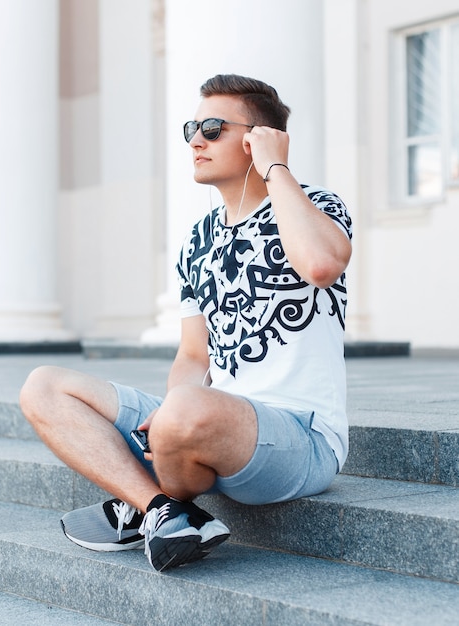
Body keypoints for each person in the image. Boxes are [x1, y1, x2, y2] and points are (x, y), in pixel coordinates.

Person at [19, 74, 352, 572]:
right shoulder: (198, 239)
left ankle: (135, 500)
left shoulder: (314, 206)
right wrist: (173, 409)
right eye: (191, 128)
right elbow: (194, 356)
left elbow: (322, 265)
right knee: (43, 386)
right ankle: (162, 513)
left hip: (303, 438)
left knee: (187, 409)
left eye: (213, 127)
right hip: (206, 416)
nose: (196, 139)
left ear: (256, 137)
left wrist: (276, 166)